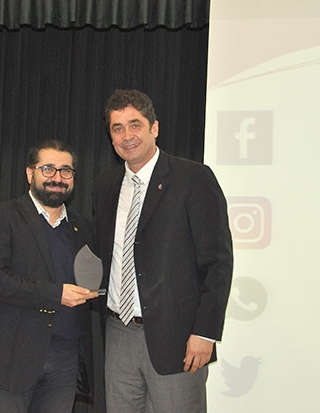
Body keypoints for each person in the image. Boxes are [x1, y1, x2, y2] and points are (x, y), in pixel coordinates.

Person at [93, 89, 233, 412]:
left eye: (135, 125)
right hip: (118, 333)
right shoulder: (104, 187)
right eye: (117, 128)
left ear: (154, 128)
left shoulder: (193, 178)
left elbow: (218, 262)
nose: (127, 136)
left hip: (178, 339)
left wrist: (205, 332)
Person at [0, 140, 99, 413]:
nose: (57, 178)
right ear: (30, 173)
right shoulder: (3, 216)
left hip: (66, 360)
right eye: (48, 169)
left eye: (66, 171)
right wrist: (56, 294)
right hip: (10, 358)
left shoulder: (83, 227)